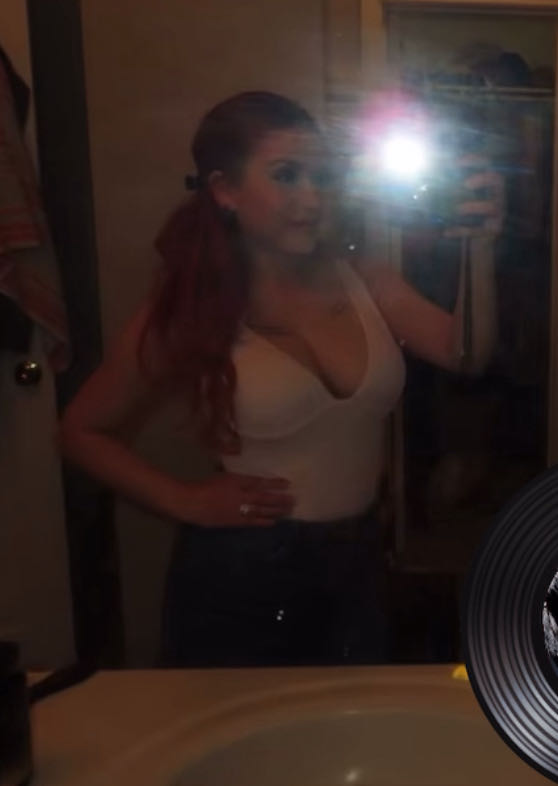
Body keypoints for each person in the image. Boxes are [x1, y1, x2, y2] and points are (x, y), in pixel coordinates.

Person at [58, 91, 503, 667]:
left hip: (359, 558)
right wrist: (185, 501)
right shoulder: (196, 305)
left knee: (353, 720)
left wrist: (479, 250)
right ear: (225, 190)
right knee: (237, 721)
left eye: (322, 176)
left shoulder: (366, 280)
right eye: (286, 175)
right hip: (241, 569)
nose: (312, 198)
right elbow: (80, 431)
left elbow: (465, 353)